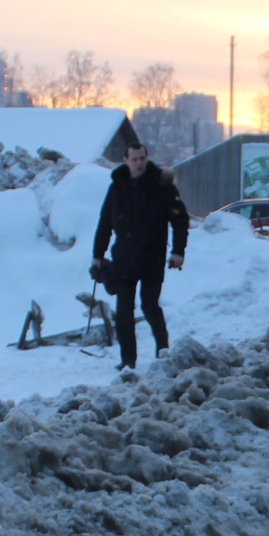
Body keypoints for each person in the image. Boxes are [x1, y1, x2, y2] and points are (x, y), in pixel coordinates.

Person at [91, 143, 190, 374]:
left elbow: (179, 220)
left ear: (147, 158)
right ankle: (128, 361)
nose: (139, 163)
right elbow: (105, 223)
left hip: (152, 258)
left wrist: (178, 251)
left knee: (149, 305)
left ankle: (163, 352)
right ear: (125, 160)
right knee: (123, 311)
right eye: (134, 159)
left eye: (142, 158)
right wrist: (97, 255)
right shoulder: (117, 187)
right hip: (124, 258)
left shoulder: (162, 186)